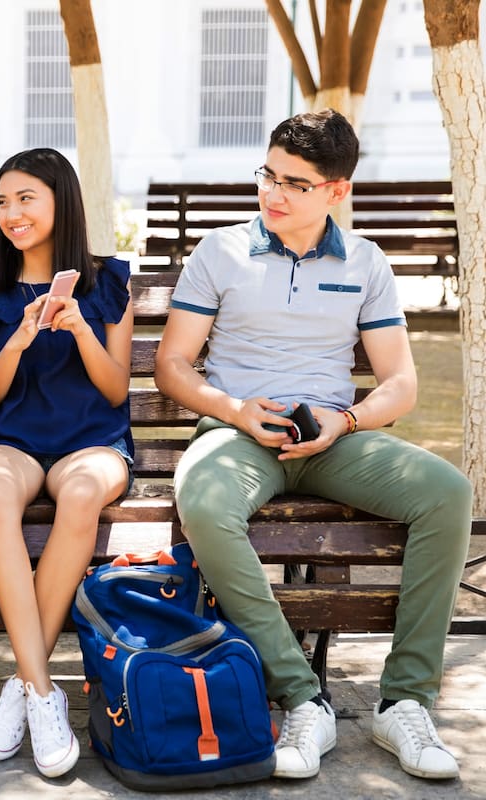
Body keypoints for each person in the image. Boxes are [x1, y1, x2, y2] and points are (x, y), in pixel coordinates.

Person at [154, 109, 471, 782]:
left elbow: (401, 383)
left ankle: (405, 701)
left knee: (447, 492)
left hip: (331, 438)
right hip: (238, 435)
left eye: (295, 183)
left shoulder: (364, 262)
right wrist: (234, 410)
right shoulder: (221, 251)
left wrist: (347, 422)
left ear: (337, 190)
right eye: (268, 175)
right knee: (204, 504)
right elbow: (172, 365)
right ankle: (303, 697)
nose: (273, 193)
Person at [0, 148, 133, 778]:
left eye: (26, 197)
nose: (11, 212)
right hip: (12, 439)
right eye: (3, 200)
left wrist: (82, 328)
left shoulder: (108, 281)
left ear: (62, 200)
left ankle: (24, 687)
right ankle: (43, 691)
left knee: (82, 494)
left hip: (92, 438)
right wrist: (21, 338)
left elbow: (115, 392)